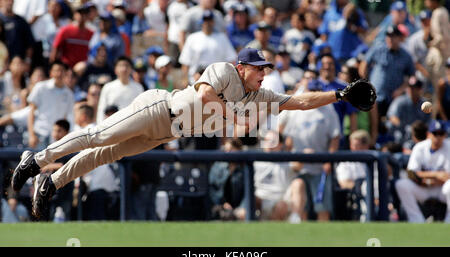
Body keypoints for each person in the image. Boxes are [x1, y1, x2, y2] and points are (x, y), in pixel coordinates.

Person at [9, 47, 368, 220]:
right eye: (259, 68)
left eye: (267, 68)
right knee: (99, 137)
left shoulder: (259, 94)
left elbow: (301, 102)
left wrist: (339, 95)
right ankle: (37, 159)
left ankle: (52, 182)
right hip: (157, 109)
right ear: (243, 67)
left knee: (106, 154)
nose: (264, 73)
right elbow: (204, 94)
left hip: (166, 133)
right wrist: (234, 116)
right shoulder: (226, 71)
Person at [279, 79, 340, 221]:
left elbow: (335, 137)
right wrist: (291, 161)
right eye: (312, 90)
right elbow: (288, 139)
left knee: (323, 208)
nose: (314, 94)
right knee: (301, 208)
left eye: (317, 91)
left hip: (320, 167)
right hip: (300, 167)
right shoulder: (296, 111)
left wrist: (329, 161)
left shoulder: (329, 110)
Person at [395, 120, 450, 223]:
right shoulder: (420, 147)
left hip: (441, 189)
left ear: (445, 135)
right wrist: (436, 174)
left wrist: (424, 177)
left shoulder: (448, 146)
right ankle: (416, 220)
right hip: (423, 187)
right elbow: (411, 173)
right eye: (435, 133)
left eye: (441, 134)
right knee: (401, 184)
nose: (437, 137)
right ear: (429, 134)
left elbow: (447, 177)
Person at [359, 25, 415, 117]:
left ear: (399, 38)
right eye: (388, 36)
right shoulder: (378, 49)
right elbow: (364, 64)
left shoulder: (406, 56)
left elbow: (411, 77)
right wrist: (366, 84)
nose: (390, 39)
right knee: (374, 122)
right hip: (375, 95)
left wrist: (401, 90)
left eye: (393, 36)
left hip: (393, 98)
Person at [253, 131, 307, 223]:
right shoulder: (255, 161)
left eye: (273, 141)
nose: (269, 144)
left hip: (281, 202)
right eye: (266, 140)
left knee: (298, 183)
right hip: (260, 202)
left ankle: (295, 219)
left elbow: (298, 165)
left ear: (280, 144)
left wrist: (305, 154)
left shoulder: (287, 160)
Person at [179, 10, 237, 85]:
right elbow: (185, 62)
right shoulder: (192, 38)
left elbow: (231, 60)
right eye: (206, 21)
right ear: (202, 22)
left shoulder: (222, 38)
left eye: (210, 21)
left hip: (217, 82)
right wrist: (185, 80)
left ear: (213, 22)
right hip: (195, 80)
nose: (208, 23)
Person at [27, 61, 74, 150]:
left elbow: (67, 118)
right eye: (56, 70)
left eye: (62, 71)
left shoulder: (69, 94)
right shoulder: (40, 87)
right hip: (40, 134)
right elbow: (31, 111)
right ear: (51, 72)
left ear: (66, 73)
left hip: (57, 138)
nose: (59, 74)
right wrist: (31, 135)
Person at [96, 56, 144, 123]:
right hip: (112, 125)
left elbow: (141, 110)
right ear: (115, 69)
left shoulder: (138, 87)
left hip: (132, 125)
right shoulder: (108, 87)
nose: (124, 69)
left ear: (131, 69)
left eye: (127, 66)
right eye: (121, 65)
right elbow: (101, 109)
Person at [208, 138, 247, 221]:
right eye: (226, 150)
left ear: (239, 150)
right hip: (219, 206)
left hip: (238, 208)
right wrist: (223, 203)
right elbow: (212, 189)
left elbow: (247, 193)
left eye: (231, 150)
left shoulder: (245, 169)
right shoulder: (217, 166)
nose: (228, 153)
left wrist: (242, 208)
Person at [386, 76, 431, 145]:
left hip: (418, 138)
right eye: (410, 87)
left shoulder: (424, 104)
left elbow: (428, 122)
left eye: (414, 88)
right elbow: (392, 117)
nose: (411, 90)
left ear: (420, 89)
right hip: (400, 137)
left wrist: (416, 130)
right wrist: (403, 126)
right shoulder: (400, 101)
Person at [50, 4, 93, 68]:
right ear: (74, 15)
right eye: (79, 13)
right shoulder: (65, 30)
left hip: (82, 69)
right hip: (66, 67)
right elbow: (55, 48)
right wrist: (53, 65)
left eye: (84, 14)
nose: (82, 16)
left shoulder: (91, 33)